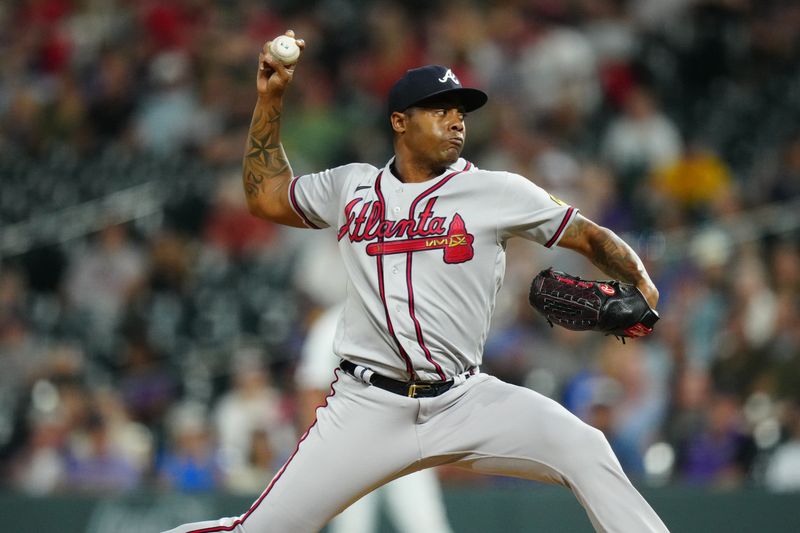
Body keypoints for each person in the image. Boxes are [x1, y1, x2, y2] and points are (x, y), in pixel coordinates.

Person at [163, 30, 668, 532]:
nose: (455, 121)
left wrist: (641, 281)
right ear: (399, 122)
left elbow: (588, 235)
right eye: (439, 110)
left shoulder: (495, 191)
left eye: (460, 112)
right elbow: (265, 194)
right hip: (367, 407)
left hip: (465, 399)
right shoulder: (350, 186)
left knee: (584, 447)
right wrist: (271, 98)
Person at [297, 303, 454, 533]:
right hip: (351, 446)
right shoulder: (334, 323)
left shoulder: (408, 318)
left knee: (426, 524)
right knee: (352, 527)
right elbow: (312, 390)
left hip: (404, 439)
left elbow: (435, 384)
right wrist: (320, 449)